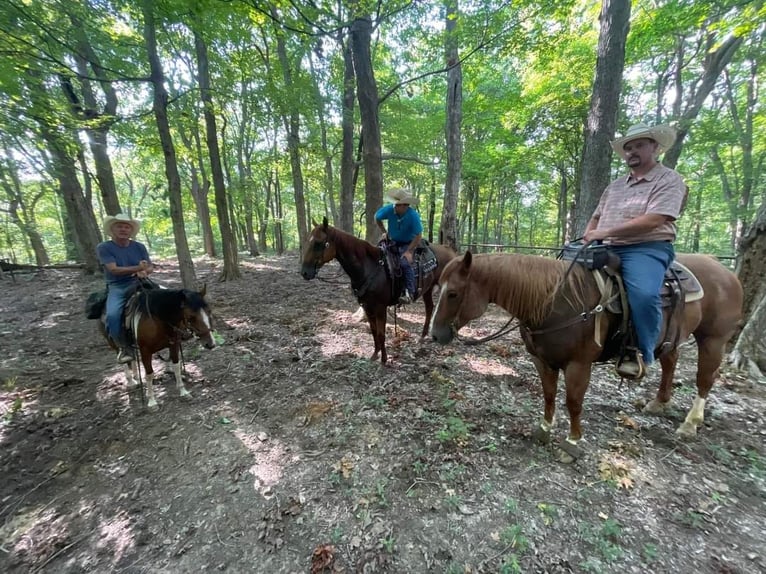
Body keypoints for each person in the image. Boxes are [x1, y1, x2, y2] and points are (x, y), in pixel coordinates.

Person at [583, 122, 688, 379]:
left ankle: (643, 350)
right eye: (628, 147)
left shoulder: (669, 180)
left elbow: (656, 218)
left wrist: (604, 233)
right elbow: (596, 218)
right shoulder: (615, 186)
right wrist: (589, 236)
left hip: (646, 248)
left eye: (639, 145)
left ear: (655, 147)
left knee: (642, 294)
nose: (632, 151)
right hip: (605, 246)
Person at [96, 213, 154, 363]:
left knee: (168, 299)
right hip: (118, 286)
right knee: (113, 315)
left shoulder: (139, 247)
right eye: (119, 226)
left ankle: (175, 333)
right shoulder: (104, 247)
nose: (123, 229)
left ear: (131, 230)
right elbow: (113, 269)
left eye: (127, 227)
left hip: (140, 281)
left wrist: (145, 271)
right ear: (112, 229)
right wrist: (137, 268)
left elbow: (149, 266)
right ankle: (123, 347)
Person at [375, 189, 423, 305]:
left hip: (408, 243)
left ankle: (409, 293)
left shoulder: (413, 216)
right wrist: (384, 232)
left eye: (398, 205)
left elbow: (419, 235)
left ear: (405, 206)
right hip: (392, 241)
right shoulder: (389, 210)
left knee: (404, 264)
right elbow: (377, 217)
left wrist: (409, 251)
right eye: (395, 204)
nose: (395, 207)